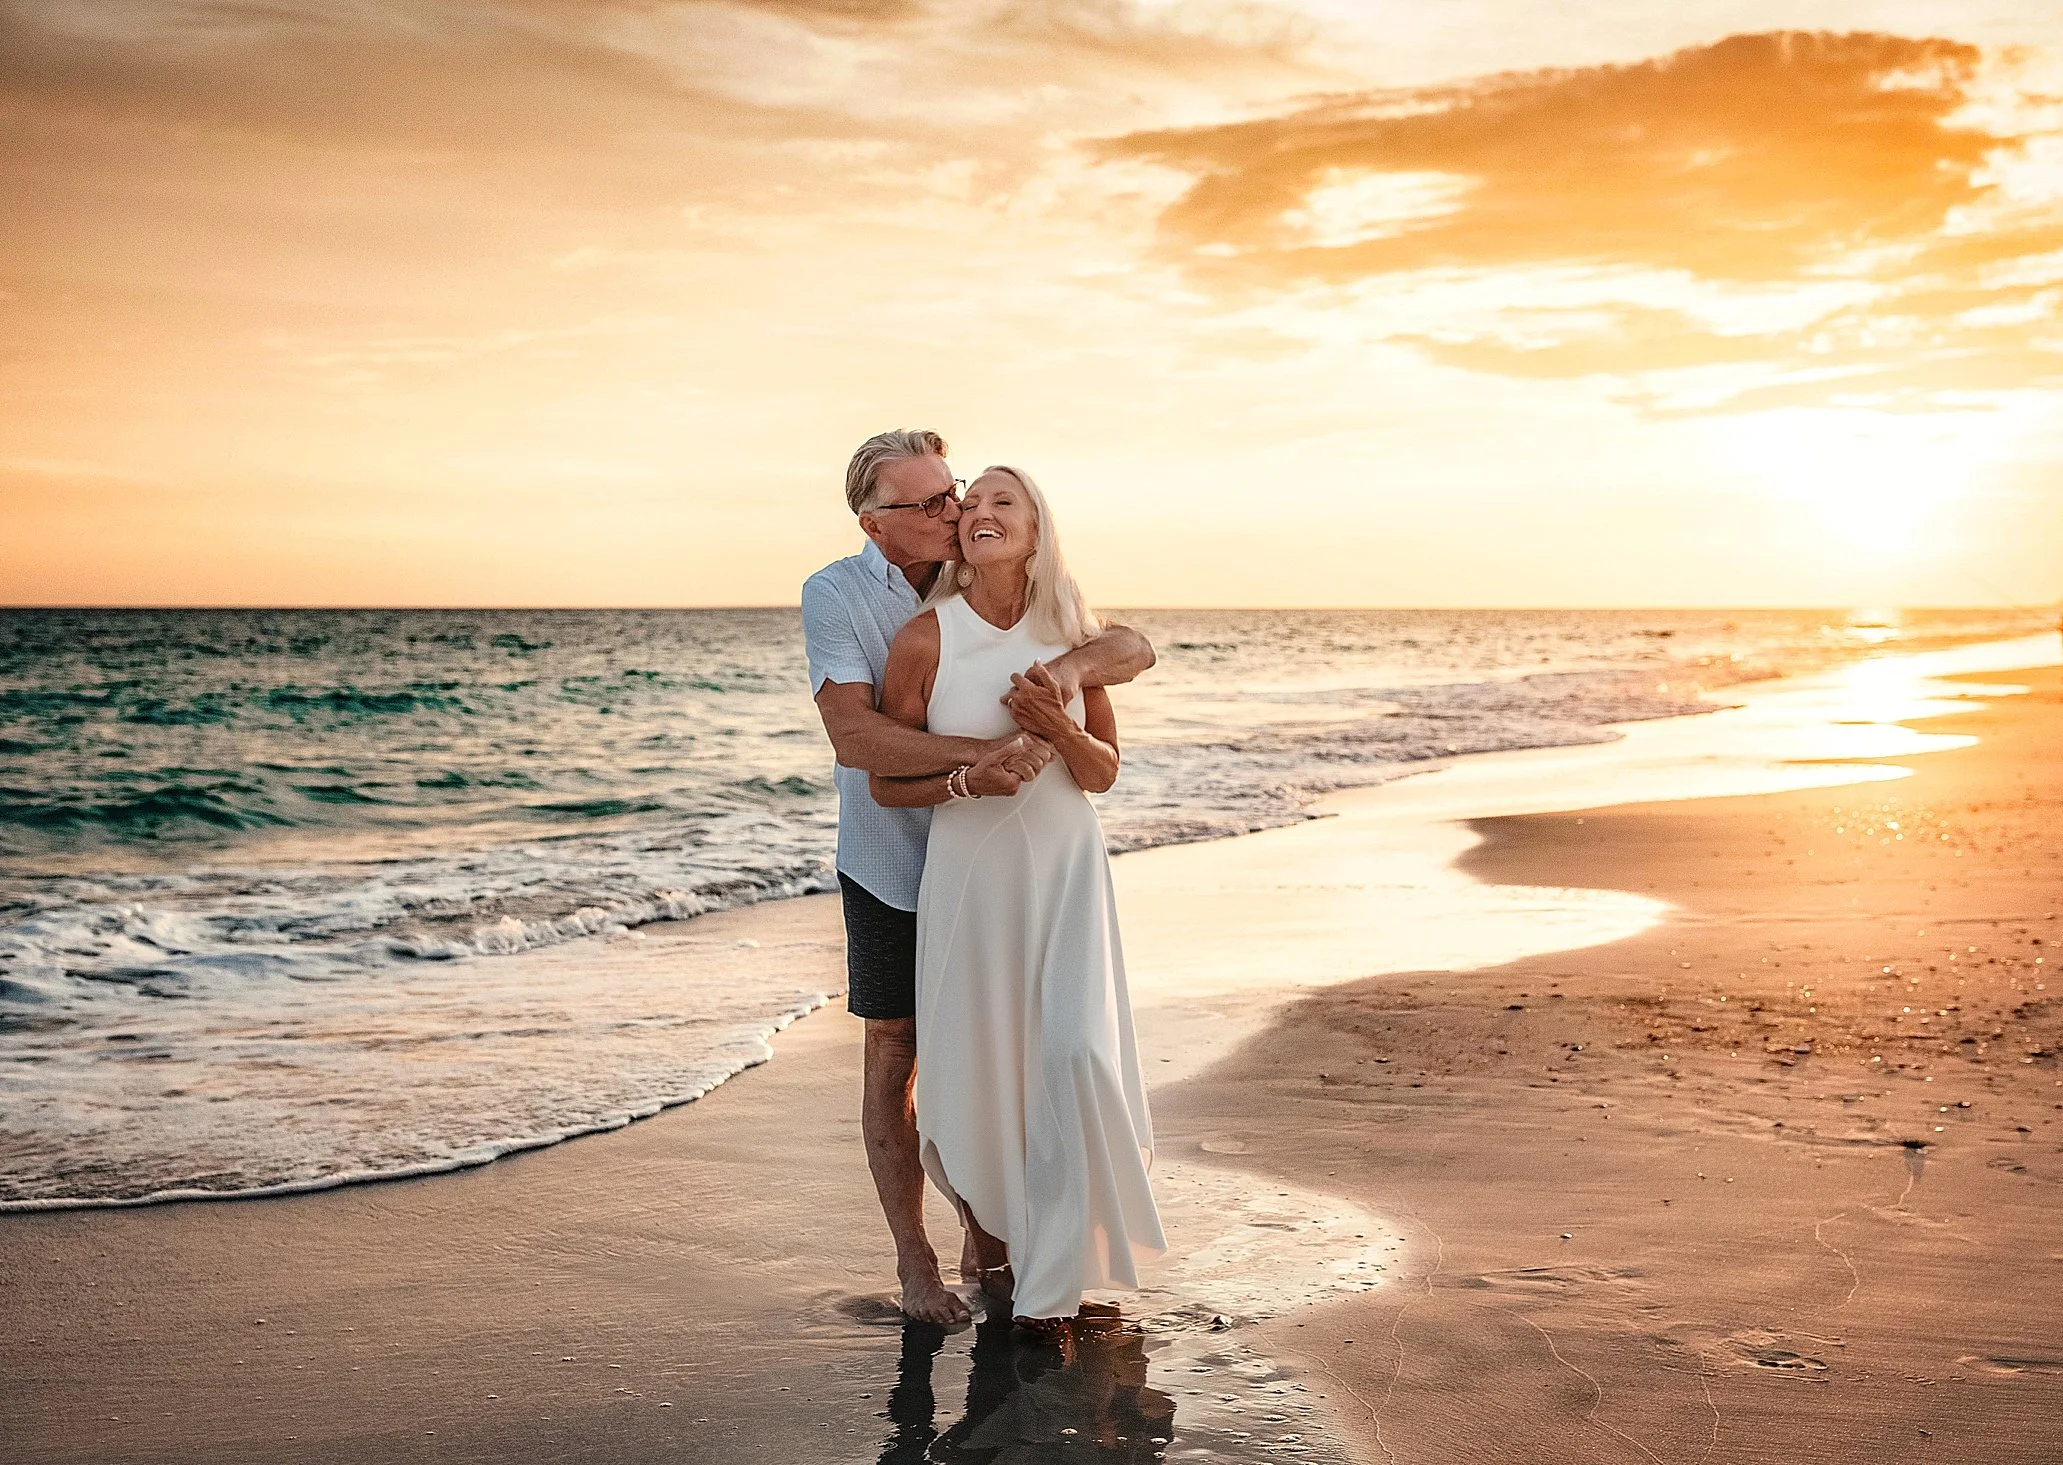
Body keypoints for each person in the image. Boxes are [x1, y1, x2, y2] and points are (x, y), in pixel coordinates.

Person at [801, 430, 1156, 1325]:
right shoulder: (842, 597)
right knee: (902, 1054)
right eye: (927, 504)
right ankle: (919, 1261)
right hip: (897, 856)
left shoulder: (1037, 595)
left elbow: (1127, 649)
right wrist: (986, 758)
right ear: (874, 523)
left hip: (1028, 864)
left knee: (1042, 1046)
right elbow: (860, 743)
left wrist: (1064, 685)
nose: (955, 511)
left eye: (953, 493)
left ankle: (1006, 1248)